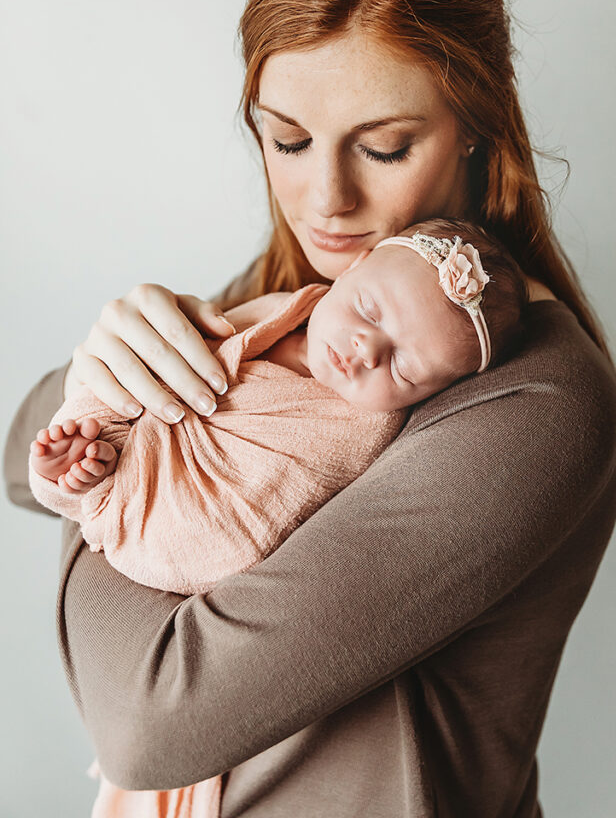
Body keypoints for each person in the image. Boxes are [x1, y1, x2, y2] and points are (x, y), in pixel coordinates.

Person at [3, 0, 616, 817]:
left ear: (478, 126)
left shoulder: (534, 404)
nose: (324, 197)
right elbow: (17, 457)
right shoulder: (300, 316)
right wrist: (102, 367)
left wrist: (115, 476)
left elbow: (148, 722)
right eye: (286, 138)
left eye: (382, 147)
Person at [27, 218, 527, 817]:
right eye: (368, 308)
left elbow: (271, 510)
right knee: (85, 430)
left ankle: (101, 489)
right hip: (145, 445)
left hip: (207, 516)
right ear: (354, 266)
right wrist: (105, 373)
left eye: (405, 371)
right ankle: (87, 469)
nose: (368, 348)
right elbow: (19, 450)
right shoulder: (281, 308)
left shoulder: (358, 430)